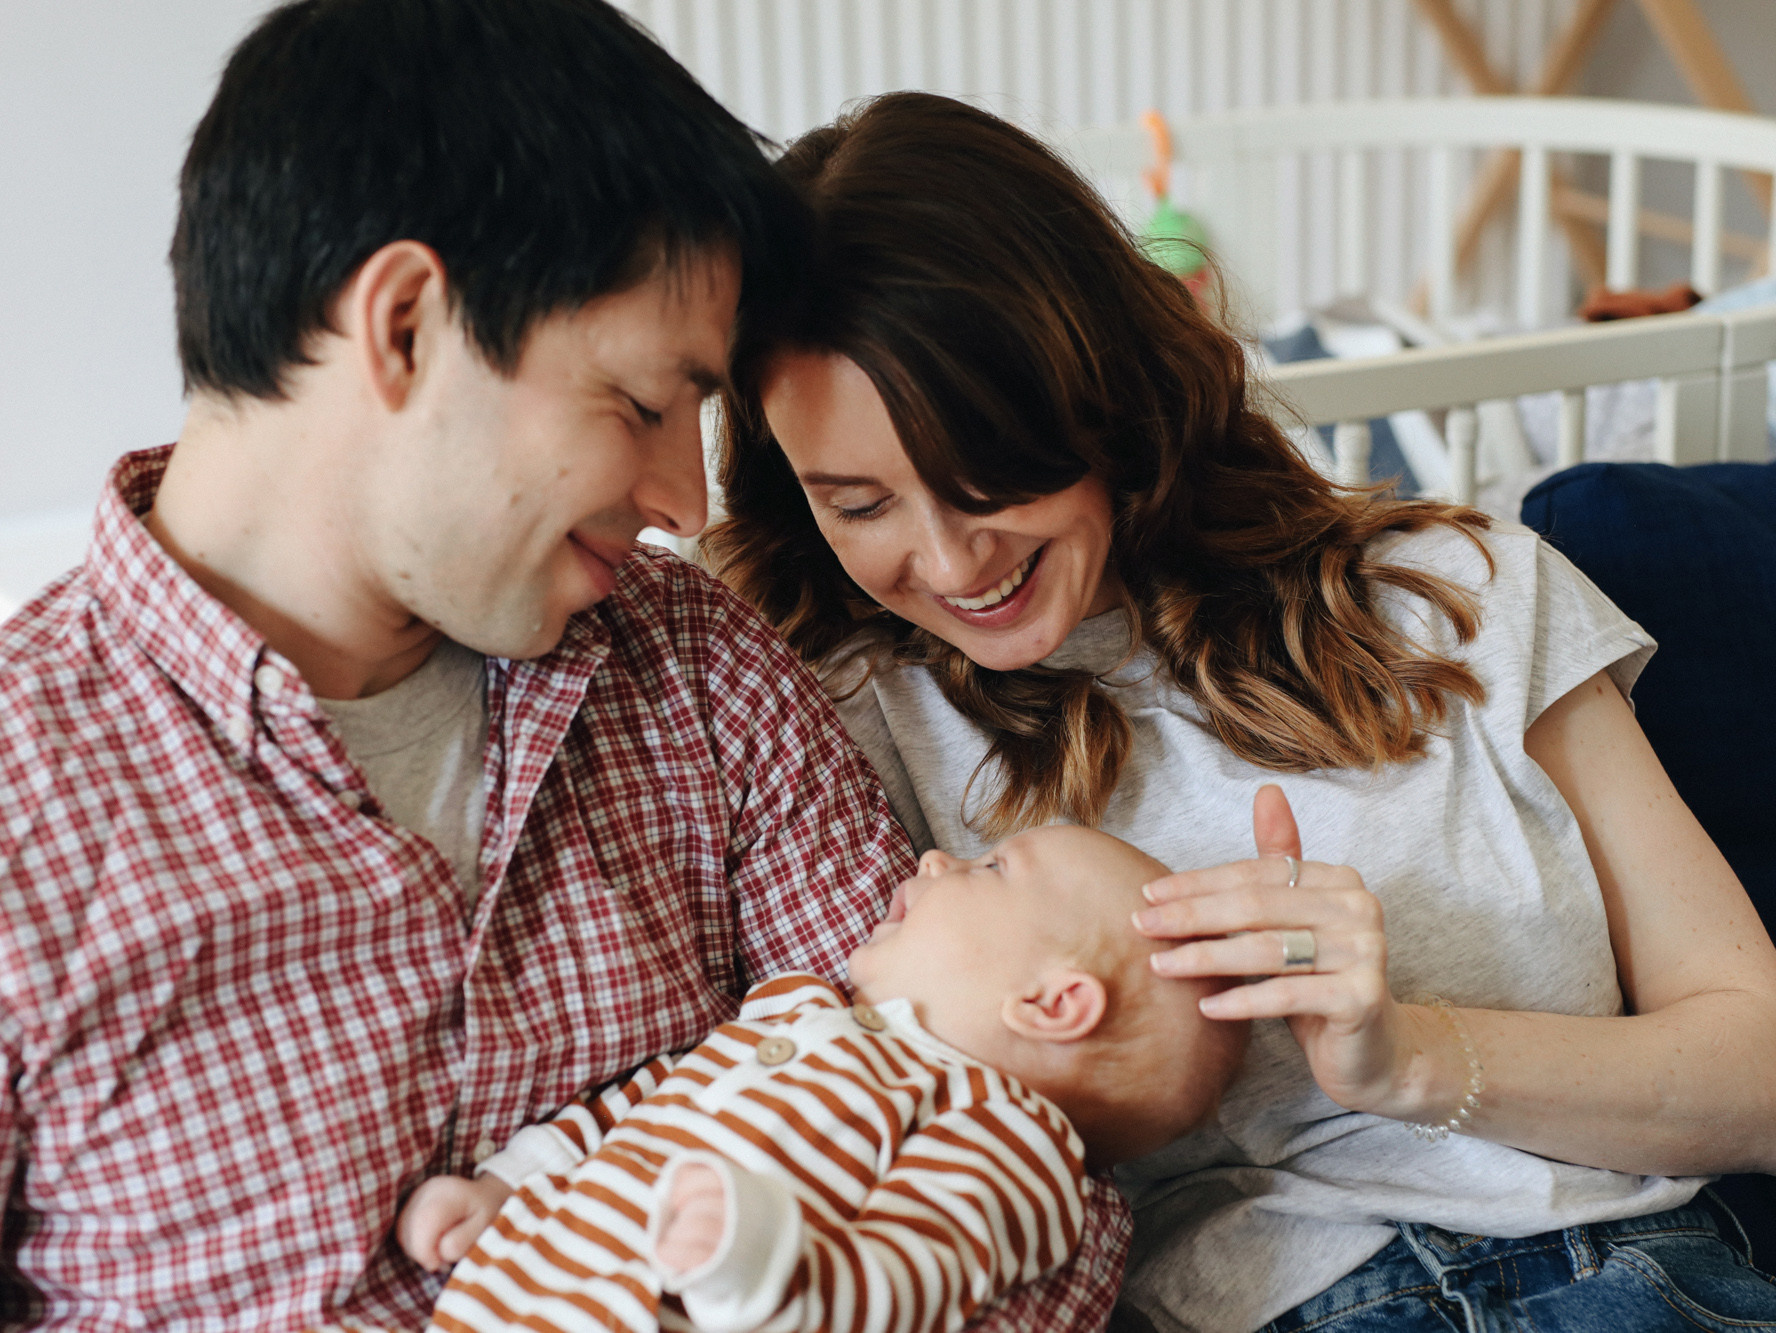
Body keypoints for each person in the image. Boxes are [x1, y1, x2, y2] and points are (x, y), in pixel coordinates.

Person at [0, 13, 1143, 1329]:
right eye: (646, 404)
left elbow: (1020, 1150)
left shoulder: (695, 664)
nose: (684, 493)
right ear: (408, 324)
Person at [705, 91, 1776, 1333]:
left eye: (982, 472)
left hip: (1628, 1279)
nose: (947, 565)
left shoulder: (1460, 594)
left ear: (1100, 393)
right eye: (858, 503)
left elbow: (1753, 1066)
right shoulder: (834, 720)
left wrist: (1408, 1054)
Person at [390, 825, 1245, 1333]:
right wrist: (511, 1182)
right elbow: (647, 1100)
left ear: (1053, 1002)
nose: (938, 858)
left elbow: (910, 1272)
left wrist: (765, 1266)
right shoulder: (794, 1008)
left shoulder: (1013, 1141)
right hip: (514, 1295)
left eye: (991, 868)